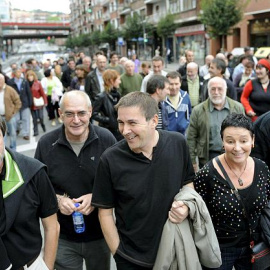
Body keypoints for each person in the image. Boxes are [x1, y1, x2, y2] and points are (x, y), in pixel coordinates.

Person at [92, 91, 195, 269]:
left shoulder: (178, 143)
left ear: (154, 121)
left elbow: (187, 184)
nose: (125, 131)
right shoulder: (110, 159)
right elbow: (105, 212)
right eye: (121, 123)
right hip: (131, 259)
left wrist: (186, 207)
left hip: (175, 252)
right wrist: (118, 253)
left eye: (132, 123)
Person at [35, 91, 116, 270]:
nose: (76, 120)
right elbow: (37, 190)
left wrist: (96, 197)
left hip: (100, 234)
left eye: (81, 113)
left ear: (90, 111)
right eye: (69, 114)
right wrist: (58, 201)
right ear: (60, 114)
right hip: (62, 236)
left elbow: (119, 184)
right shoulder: (46, 144)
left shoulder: (107, 139)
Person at [194, 113, 270, 270]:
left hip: (254, 247)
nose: (237, 148)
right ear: (222, 142)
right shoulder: (207, 174)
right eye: (230, 141)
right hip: (220, 249)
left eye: (243, 141)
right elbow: (199, 215)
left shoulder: (262, 169)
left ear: (253, 141)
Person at [0, 116, 59, 270]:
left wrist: (47, 266)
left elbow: (52, 226)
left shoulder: (33, 172)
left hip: (30, 265)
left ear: (3, 135)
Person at [187, 76, 244, 171]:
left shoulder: (237, 108)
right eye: (213, 89)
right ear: (208, 90)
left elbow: (244, 133)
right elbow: (191, 137)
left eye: (220, 89)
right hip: (207, 157)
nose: (216, 92)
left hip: (232, 154)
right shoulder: (198, 110)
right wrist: (192, 161)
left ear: (225, 90)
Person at [92, 70, 123, 141]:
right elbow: (93, 114)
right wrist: (108, 120)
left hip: (119, 130)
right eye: (118, 79)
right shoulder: (101, 97)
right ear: (112, 80)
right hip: (107, 131)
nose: (120, 82)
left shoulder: (118, 94)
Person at [7, 68, 32, 140]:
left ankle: (26, 133)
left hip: (25, 103)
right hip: (15, 104)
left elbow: (29, 92)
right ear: (14, 73)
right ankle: (18, 129)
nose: (19, 73)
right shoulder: (10, 82)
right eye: (18, 72)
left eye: (20, 72)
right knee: (16, 119)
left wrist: (30, 103)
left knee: (25, 119)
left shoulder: (24, 81)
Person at [165, 71, 192, 135]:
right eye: (171, 84)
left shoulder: (185, 96)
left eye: (176, 84)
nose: (174, 87)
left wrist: (186, 123)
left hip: (183, 134)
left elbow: (189, 113)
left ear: (180, 83)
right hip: (168, 135)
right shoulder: (162, 99)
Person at [0, 74, 21, 151]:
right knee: (2, 135)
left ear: (3, 80)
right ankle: (3, 150)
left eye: (0, 80)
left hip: (9, 116)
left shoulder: (9, 89)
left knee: (12, 133)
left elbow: (18, 102)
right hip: (0, 118)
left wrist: (13, 112)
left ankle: (13, 149)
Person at [26, 70, 47, 137]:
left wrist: (45, 102)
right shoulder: (26, 84)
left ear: (33, 76)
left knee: (40, 117)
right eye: (28, 76)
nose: (30, 77)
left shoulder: (38, 83)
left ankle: (42, 125)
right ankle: (35, 131)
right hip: (31, 104)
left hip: (39, 103)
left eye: (31, 75)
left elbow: (42, 93)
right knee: (34, 119)